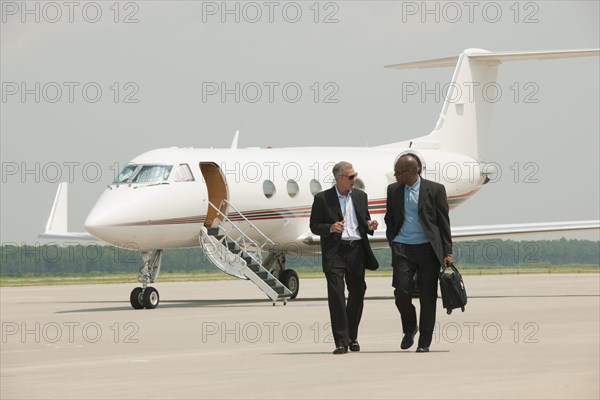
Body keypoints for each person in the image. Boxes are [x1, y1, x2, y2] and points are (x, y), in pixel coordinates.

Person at [384, 154, 454, 353]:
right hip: (403, 247)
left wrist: (447, 252)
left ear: (411, 172)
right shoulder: (394, 190)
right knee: (401, 292)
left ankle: (425, 341)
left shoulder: (435, 190)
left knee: (427, 295)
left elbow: (443, 223)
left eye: (398, 172)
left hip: (428, 249)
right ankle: (409, 328)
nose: (395, 175)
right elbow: (390, 218)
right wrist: (393, 240)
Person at [310, 161, 379, 355]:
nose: (354, 180)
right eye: (350, 177)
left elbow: (364, 220)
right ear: (339, 178)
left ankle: (352, 336)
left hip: (356, 250)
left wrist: (369, 225)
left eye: (354, 175)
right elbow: (314, 225)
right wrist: (330, 228)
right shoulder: (322, 199)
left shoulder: (360, 196)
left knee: (358, 293)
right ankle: (340, 342)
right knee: (336, 295)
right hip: (335, 252)